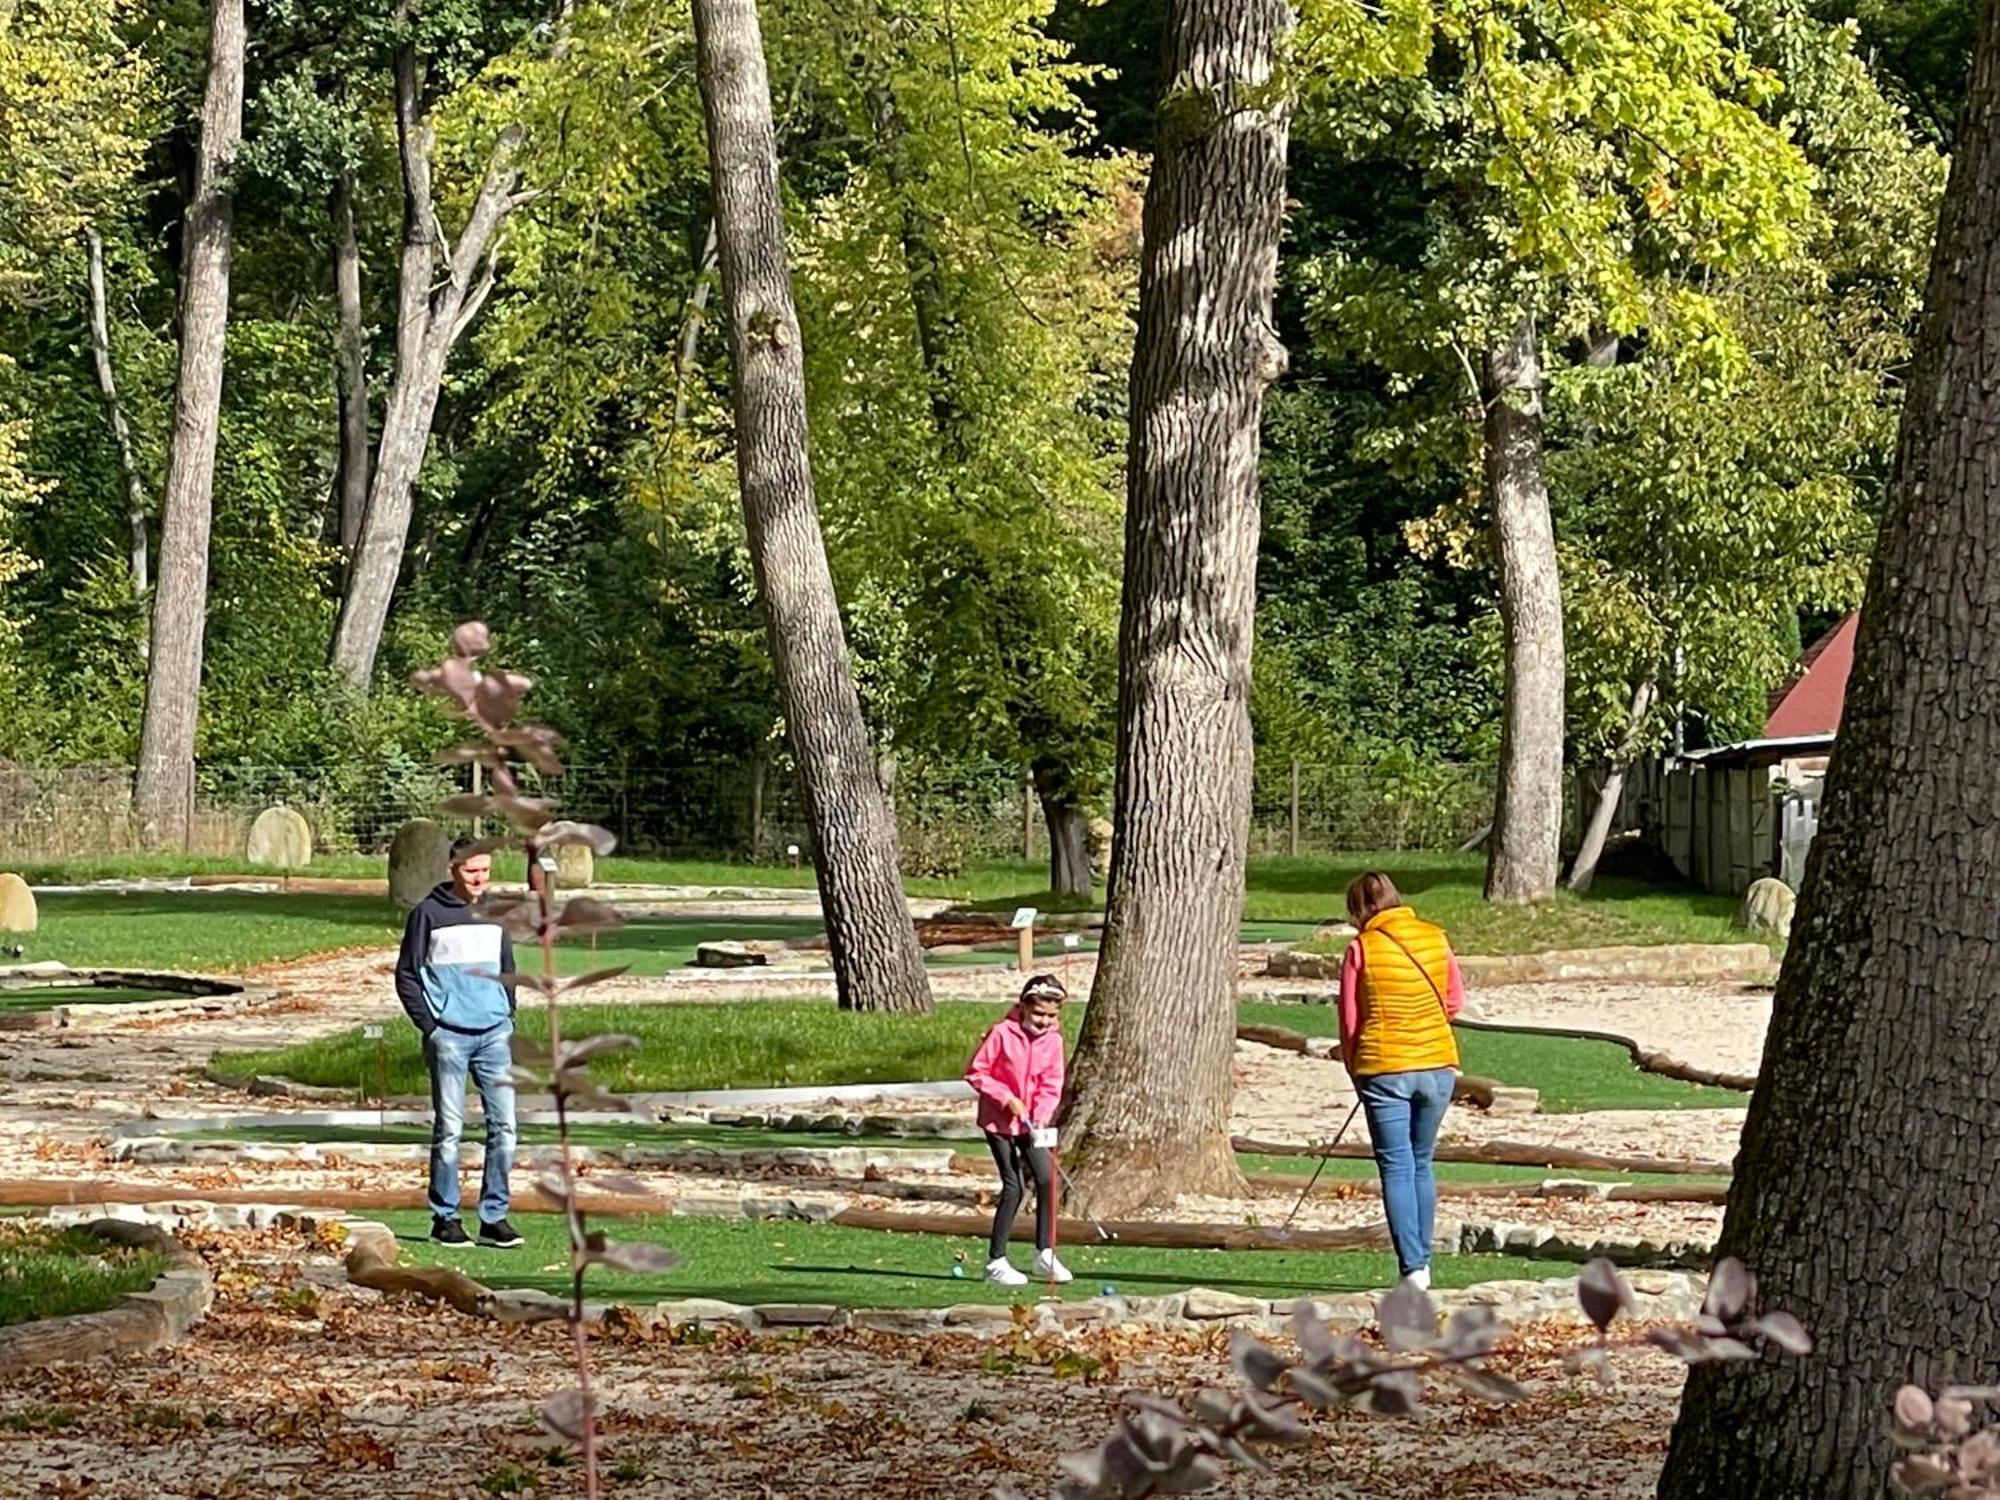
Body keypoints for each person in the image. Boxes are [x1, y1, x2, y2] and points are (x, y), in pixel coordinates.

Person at [1337, 871, 1465, 1290]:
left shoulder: (1361, 948)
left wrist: (1356, 1068)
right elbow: (1453, 1003)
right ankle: (1422, 1261)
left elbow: (1351, 1021)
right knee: (1421, 1162)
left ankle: (1413, 1267)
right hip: (1438, 1065)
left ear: (1360, 909)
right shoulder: (1435, 937)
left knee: (1396, 1164)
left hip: (1385, 1067)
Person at [395, 836, 522, 1249]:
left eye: (485, 871)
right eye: (471, 872)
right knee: (450, 1128)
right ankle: (445, 1217)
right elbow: (408, 975)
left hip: (494, 1033)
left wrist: (508, 1013)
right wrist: (430, 1026)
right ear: (453, 869)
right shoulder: (427, 914)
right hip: (448, 1035)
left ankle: (494, 1216)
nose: (479, 879)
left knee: (505, 1128)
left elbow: (507, 968)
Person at [964, 973, 1071, 1286]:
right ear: (1024, 1006)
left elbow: (1052, 1083)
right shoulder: (1002, 1033)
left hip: (1031, 1123)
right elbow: (977, 1073)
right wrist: (1007, 1099)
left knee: (1047, 1178)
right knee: (1014, 1186)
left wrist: (1040, 1115)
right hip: (999, 1121)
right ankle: (996, 1261)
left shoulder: (1054, 1040)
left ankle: (1045, 1254)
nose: (1044, 1021)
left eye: (1052, 1016)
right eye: (1038, 1013)